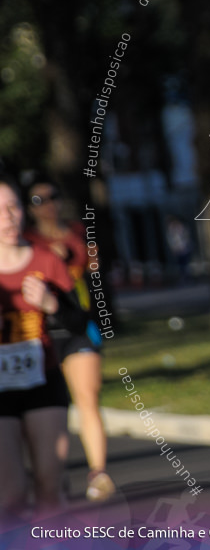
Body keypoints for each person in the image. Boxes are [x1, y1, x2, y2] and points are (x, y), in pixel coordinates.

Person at [0, 174, 88, 516]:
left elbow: (80, 323)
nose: (9, 217)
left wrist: (53, 305)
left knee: (50, 489)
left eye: (13, 207)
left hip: (42, 379)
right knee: (11, 494)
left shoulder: (46, 260)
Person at [23, 176, 115, 503]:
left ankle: (99, 473)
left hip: (77, 326)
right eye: (38, 200)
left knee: (87, 397)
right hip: (39, 333)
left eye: (53, 196)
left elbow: (92, 273)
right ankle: (51, 476)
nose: (48, 204)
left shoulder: (77, 234)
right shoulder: (24, 241)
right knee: (45, 408)